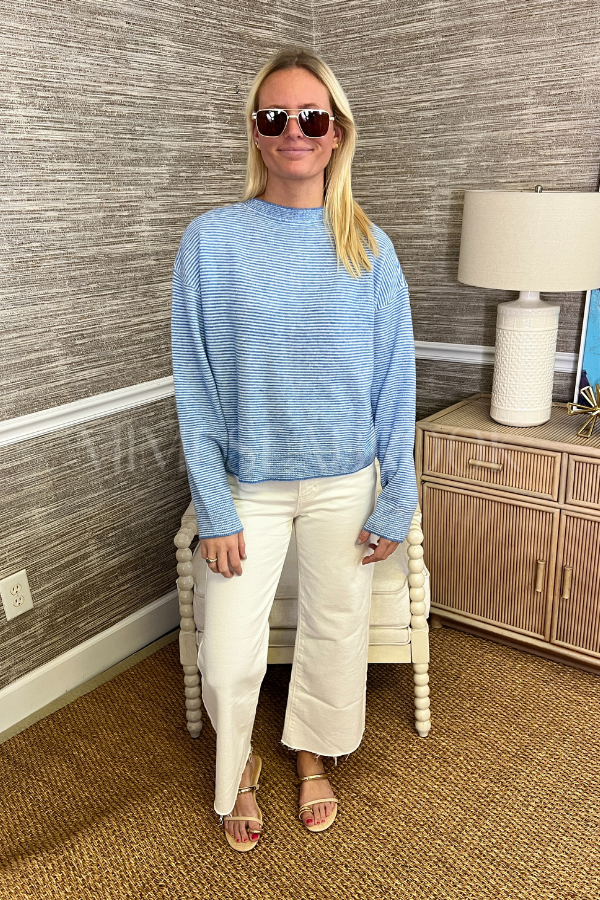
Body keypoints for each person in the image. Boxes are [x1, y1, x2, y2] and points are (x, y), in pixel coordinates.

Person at [171, 45, 418, 851]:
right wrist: (213, 507)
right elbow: (196, 383)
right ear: (255, 130)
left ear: (337, 131)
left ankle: (312, 751)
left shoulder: (370, 248)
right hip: (249, 487)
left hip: (347, 481)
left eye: (312, 117)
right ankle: (239, 763)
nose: (294, 132)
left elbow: (394, 383)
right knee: (226, 655)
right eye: (275, 117)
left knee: (336, 632)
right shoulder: (211, 241)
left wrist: (397, 495)